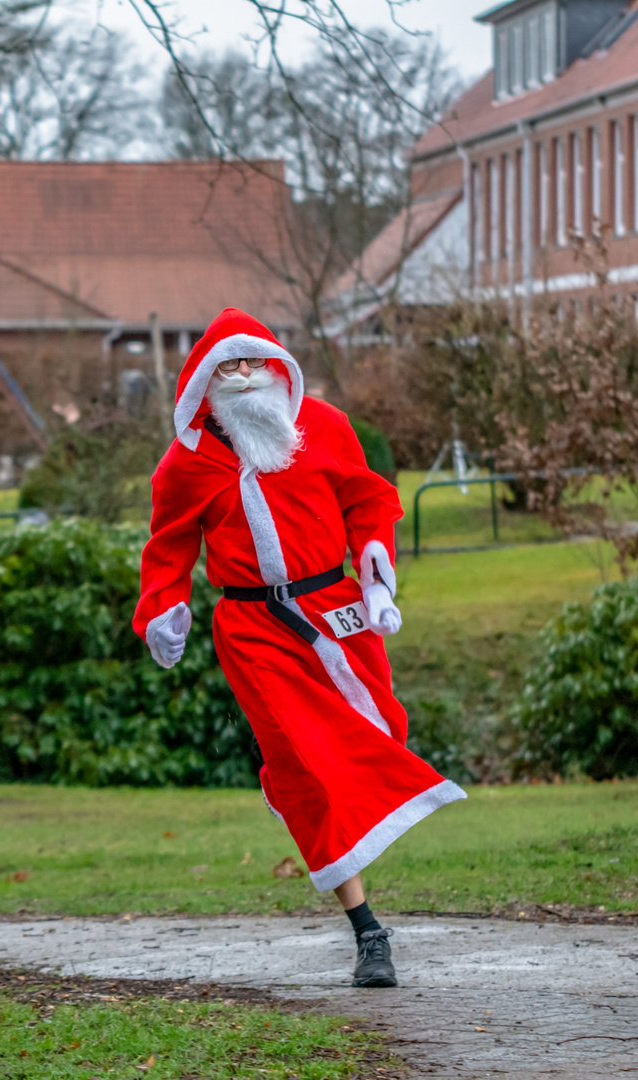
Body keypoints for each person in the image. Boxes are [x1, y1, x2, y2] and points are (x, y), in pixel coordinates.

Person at [134, 307, 465, 988]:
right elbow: (167, 545)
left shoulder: (327, 427)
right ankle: (367, 929)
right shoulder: (186, 463)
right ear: (205, 380)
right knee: (306, 767)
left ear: (277, 364)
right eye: (230, 365)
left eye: (255, 360)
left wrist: (374, 567)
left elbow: (368, 503)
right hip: (253, 632)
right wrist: (163, 608)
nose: (247, 374)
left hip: (336, 609)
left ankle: (333, 807)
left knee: (375, 735)